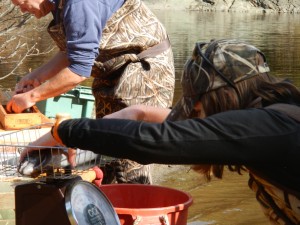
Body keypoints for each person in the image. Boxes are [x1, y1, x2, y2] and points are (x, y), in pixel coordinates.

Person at [22, 39, 300, 225]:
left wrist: (64, 131)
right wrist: (136, 113)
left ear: (222, 96)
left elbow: (158, 142)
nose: (196, 114)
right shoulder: (274, 119)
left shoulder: (271, 128)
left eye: (197, 108)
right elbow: (170, 124)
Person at [7, 0, 175, 184]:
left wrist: (32, 96)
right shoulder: (60, 6)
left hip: (144, 69)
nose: (21, 9)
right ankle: (104, 203)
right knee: (103, 149)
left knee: (128, 154)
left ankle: (136, 209)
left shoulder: (80, 3)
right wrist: (36, 77)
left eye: (20, 2)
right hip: (112, 71)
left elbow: (79, 70)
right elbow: (72, 51)